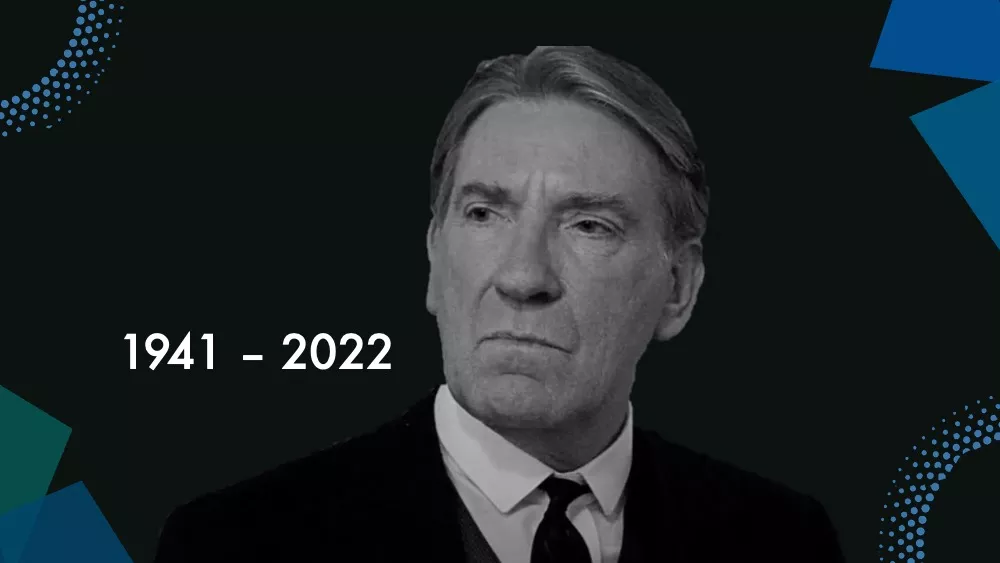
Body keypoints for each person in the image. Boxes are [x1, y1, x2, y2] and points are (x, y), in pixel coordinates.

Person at [153, 46, 845, 562]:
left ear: (679, 288)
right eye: (484, 213)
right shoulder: (234, 544)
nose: (521, 276)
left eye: (589, 225)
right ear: (434, 258)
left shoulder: (784, 540)